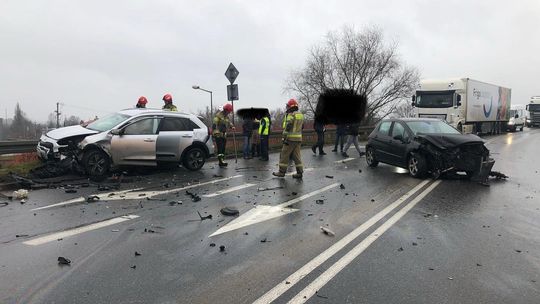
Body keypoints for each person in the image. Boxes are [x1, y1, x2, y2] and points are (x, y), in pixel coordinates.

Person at [273, 99, 304, 179]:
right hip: (298, 139)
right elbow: (302, 127)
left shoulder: (291, 114)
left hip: (290, 139)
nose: (287, 107)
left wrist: (284, 137)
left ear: (291, 106)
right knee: (296, 156)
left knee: (284, 154)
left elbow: (288, 126)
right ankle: (300, 172)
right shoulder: (300, 114)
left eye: (288, 106)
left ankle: (281, 172)